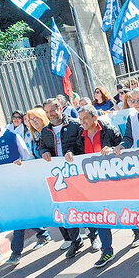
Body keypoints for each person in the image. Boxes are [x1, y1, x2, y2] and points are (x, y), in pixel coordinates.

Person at [0, 111, 51, 266]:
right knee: (19, 215)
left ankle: (16, 253)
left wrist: (20, 162)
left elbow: (27, 157)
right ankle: (43, 232)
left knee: (17, 218)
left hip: (19, 183)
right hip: (3, 187)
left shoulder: (12, 136)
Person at [40, 98, 101, 258]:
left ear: (60, 108)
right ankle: (76, 240)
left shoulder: (75, 124)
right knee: (67, 209)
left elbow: (82, 144)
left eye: (52, 110)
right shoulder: (45, 131)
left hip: (76, 173)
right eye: (47, 112)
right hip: (58, 176)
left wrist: (73, 152)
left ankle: (94, 237)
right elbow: (43, 147)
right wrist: (44, 153)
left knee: (84, 206)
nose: (50, 114)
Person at [74, 105, 122, 268]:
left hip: (114, 179)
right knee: (101, 217)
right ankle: (107, 250)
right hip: (94, 183)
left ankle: (137, 231)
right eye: (80, 120)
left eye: (85, 118)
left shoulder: (109, 130)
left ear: (95, 117)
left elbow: (124, 146)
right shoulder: (80, 136)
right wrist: (69, 154)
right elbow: (76, 153)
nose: (83, 122)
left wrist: (114, 149)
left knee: (122, 210)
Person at [106, 87, 139, 247]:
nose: (136, 104)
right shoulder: (132, 117)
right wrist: (121, 146)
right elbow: (128, 138)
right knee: (136, 198)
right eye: (133, 101)